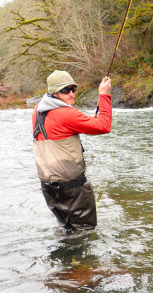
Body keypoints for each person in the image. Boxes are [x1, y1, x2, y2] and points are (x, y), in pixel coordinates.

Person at [32, 70, 112, 233]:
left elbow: (62, 127)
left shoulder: (38, 110)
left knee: (66, 230)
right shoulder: (67, 114)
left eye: (73, 89)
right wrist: (104, 95)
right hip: (72, 189)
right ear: (54, 92)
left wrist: (88, 119)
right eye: (65, 90)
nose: (71, 93)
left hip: (49, 187)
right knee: (84, 232)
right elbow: (104, 126)